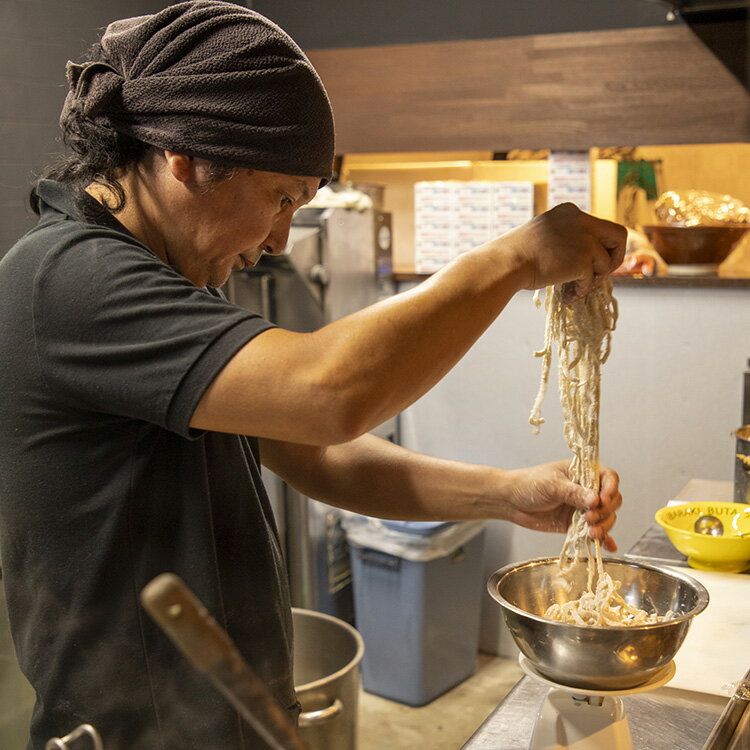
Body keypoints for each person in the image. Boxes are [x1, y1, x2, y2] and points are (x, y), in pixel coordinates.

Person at [0, 2, 625, 748]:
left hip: (228, 719)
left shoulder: (165, 277)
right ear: (185, 159)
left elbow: (311, 450)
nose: (277, 240)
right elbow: (329, 396)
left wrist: (507, 493)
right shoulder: (69, 282)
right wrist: (514, 258)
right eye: (282, 198)